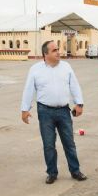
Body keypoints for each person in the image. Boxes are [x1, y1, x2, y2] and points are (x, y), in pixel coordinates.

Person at [20, 40, 88, 184]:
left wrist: (79, 103)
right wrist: (25, 109)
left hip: (64, 111)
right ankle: (52, 173)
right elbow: (29, 89)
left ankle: (75, 171)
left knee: (69, 143)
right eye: (54, 50)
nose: (59, 52)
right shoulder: (35, 69)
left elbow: (74, 86)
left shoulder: (66, 67)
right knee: (49, 144)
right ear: (45, 54)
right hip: (45, 112)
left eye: (58, 49)